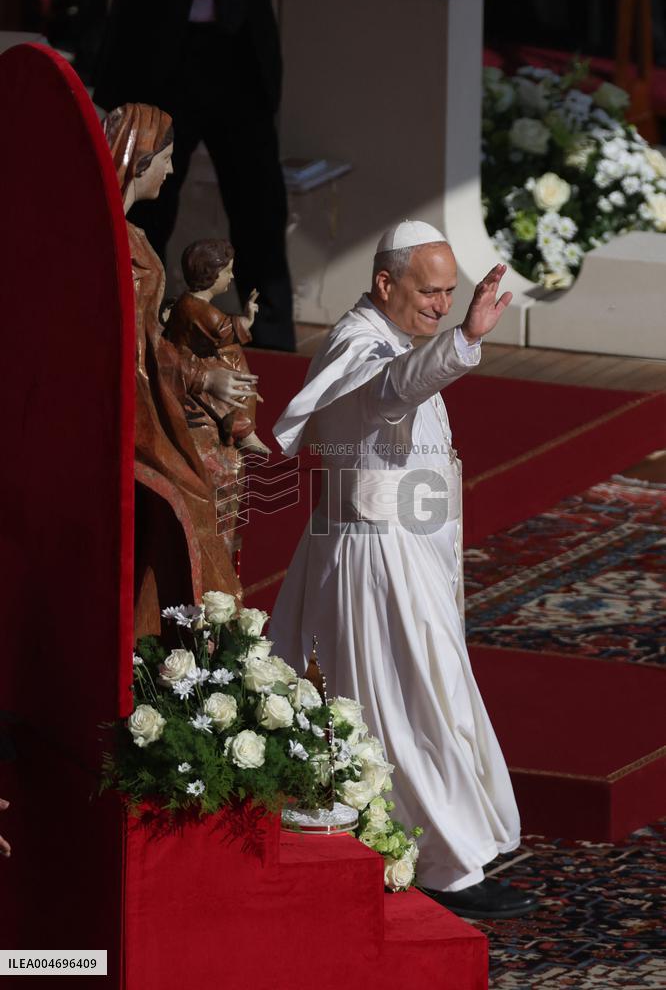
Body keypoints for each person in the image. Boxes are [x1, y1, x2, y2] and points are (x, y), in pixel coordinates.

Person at [269, 221, 538, 919]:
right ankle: (446, 868)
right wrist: (467, 340)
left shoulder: (389, 335)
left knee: (415, 698)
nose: (442, 305)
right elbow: (392, 391)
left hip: (402, 547)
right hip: (374, 557)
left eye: (451, 294)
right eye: (430, 291)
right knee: (415, 702)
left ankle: (420, 848)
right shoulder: (361, 347)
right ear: (385, 284)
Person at [103, 103, 250, 635]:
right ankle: (202, 640)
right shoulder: (113, 245)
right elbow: (127, 349)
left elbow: (148, 343)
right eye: (165, 159)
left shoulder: (135, 239)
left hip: (150, 396)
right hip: (126, 411)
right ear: (139, 163)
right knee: (194, 492)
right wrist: (197, 378)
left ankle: (171, 639)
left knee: (208, 477)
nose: (171, 170)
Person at [93, 0, 295, 352]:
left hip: (240, 46)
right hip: (156, 45)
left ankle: (273, 347)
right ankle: (132, 340)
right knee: (146, 206)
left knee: (260, 208)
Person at [165, 238, 270, 466]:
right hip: (191, 363)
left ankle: (242, 420)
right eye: (228, 271)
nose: (232, 277)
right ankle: (241, 427)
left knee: (236, 362)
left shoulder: (191, 303)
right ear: (210, 274)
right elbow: (224, 332)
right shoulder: (198, 308)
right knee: (236, 367)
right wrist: (248, 318)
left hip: (198, 356)